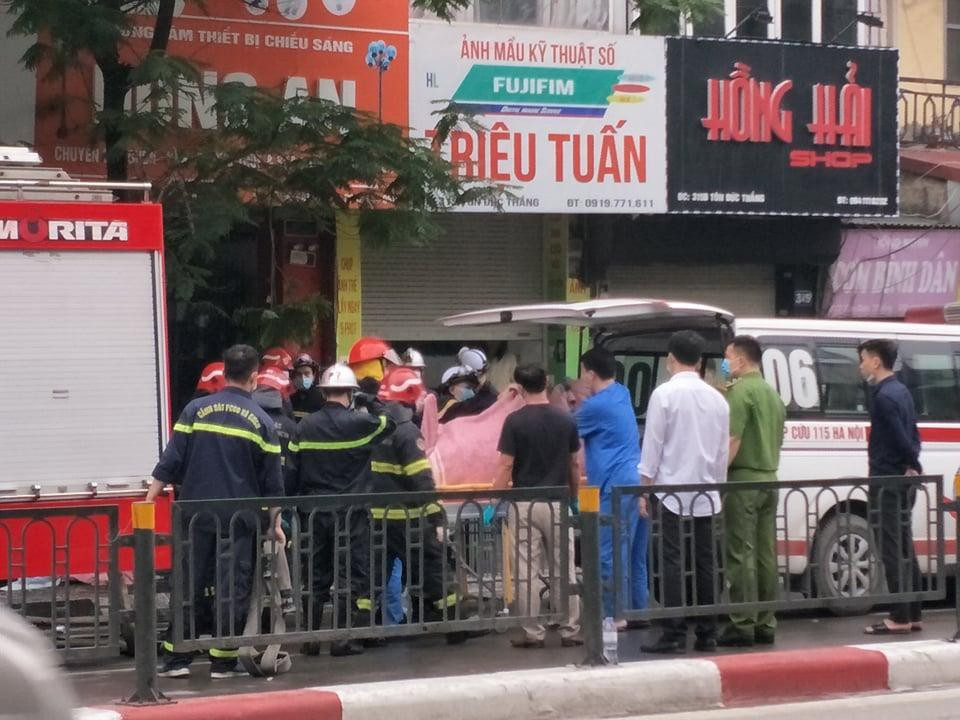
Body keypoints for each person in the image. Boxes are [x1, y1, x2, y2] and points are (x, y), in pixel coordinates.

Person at [148, 344, 284, 679]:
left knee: (187, 584)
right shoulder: (264, 422)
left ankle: (177, 659)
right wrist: (276, 524)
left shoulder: (195, 410)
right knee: (231, 588)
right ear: (254, 377)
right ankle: (222, 662)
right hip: (238, 521)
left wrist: (148, 501)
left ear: (224, 373)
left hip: (195, 516)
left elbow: (170, 462)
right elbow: (273, 485)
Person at [289, 363, 396, 657]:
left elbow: (293, 471)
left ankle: (310, 639)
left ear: (323, 392)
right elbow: (390, 423)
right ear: (351, 393)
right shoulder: (359, 424)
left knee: (315, 575)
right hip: (351, 512)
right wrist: (371, 400)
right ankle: (341, 639)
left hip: (313, 511)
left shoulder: (305, 426)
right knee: (350, 574)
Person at [638, 331, 729, 654]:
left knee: (671, 560)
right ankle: (708, 632)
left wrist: (644, 489)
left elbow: (653, 446)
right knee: (707, 561)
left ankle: (674, 632)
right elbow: (721, 453)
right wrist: (717, 486)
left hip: (669, 492)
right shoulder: (718, 398)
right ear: (701, 361)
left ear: (670, 359)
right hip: (706, 490)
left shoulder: (664, 395)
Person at [495, 364, 582, 649]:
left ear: (519, 388)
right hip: (557, 500)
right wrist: (574, 497)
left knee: (526, 570)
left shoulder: (514, 421)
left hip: (524, 503)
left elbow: (506, 465)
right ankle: (570, 629)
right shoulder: (565, 420)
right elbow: (574, 463)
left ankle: (534, 632)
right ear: (546, 382)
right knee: (564, 567)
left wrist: (494, 498)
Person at [370, 367, 460, 630]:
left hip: (376, 518)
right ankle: (453, 625)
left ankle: (364, 628)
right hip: (409, 520)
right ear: (409, 397)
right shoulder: (408, 433)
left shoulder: (374, 428)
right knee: (433, 570)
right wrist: (437, 516)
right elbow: (420, 479)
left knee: (373, 577)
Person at [719, 335, 786, 647]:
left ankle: (742, 622)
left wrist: (718, 478)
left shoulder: (740, 392)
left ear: (741, 360)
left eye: (727, 357)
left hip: (743, 480)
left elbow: (733, 439)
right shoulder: (773, 395)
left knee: (740, 552)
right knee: (765, 552)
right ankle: (765, 622)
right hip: (770, 477)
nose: (725, 363)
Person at [859, 339, 924, 636]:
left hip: (886, 479)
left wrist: (911, 461)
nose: (861, 365)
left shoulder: (883, 396)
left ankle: (898, 616)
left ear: (875, 361)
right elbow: (914, 434)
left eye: (863, 359)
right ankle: (913, 612)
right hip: (903, 478)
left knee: (890, 547)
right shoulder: (902, 392)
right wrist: (913, 463)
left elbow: (899, 437)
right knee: (905, 544)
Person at [576, 347, 643, 623]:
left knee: (607, 552)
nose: (581, 380)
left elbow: (565, 432)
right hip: (632, 481)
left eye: (582, 374)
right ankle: (636, 610)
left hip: (612, 486)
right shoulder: (622, 393)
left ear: (591, 374)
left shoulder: (595, 406)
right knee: (631, 552)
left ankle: (612, 615)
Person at [254, 366, 298, 495]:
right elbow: (294, 466)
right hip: (282, 497)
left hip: (250, 499)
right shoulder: (291, 427)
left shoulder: (245, 418)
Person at [440, 347, 499, 423]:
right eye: (468, 387)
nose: (470, 390)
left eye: (470, 386)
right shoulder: (495, 398)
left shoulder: (463, 408)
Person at [290, 352, 324, 421]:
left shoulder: (321, 398)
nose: (303, 378)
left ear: (313, 376)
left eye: (306, 373)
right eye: (299, 374)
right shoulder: (291, 399)